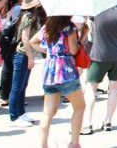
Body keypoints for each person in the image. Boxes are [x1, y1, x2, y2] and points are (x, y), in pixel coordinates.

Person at [30, 15, 85, 148]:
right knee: (79, 107)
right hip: (66, 71)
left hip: (49, 72)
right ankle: (74, 143)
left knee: (48, 112)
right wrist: (82, 37)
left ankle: (42, 144)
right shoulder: (69, 28)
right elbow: (73, 50)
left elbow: (33, 41)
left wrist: (49, 51)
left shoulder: (47, 27)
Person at [82, 0, 117, 134]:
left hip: (100, 54)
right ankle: (108, 121)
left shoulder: (98, 11)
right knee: (114, 87)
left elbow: (91, 28)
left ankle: (87, 123)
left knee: (91, 87)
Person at [8, 0, 44, 127]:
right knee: (17, 87)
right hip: (22, 55)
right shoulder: (28, 16)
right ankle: (13, 116)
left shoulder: (33, 15)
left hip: (26, 55)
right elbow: (25, 38)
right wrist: (30, 57)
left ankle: (21, 113)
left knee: (23, 86)